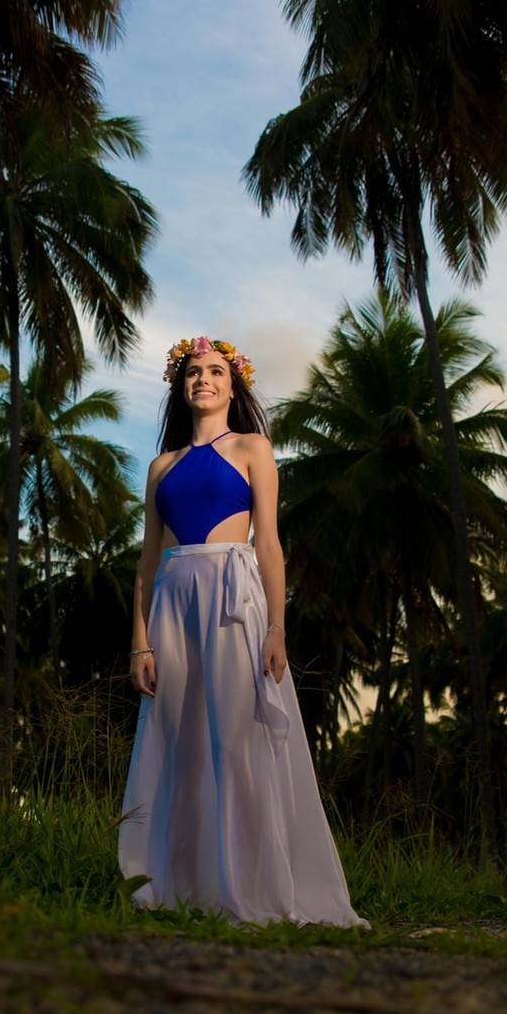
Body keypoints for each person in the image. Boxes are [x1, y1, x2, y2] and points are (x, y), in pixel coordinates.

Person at [118, 334, 371, 930]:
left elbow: (271, 545)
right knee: (182, 743)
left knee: (234, 741)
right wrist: (140, 640)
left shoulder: (255, 448)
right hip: (174, 604)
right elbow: (147, 563)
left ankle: (250, 888)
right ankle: (184, 888)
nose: (202, 380)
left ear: (233, 386)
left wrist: (278, 628)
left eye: (214, 372)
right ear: (181, 390)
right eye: (192, 373)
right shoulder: (161, 467)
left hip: (234, 599)